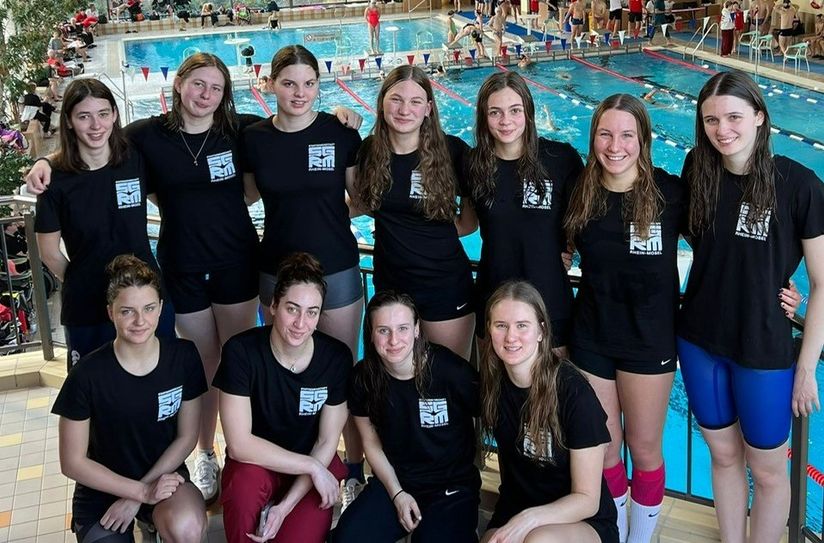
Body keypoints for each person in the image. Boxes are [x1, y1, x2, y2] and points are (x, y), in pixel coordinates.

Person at [26, 52, 363, 505]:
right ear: (178, 84)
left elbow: (292, 126)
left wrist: (341, 113)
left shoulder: (240, 130)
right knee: (202, 365)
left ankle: (264, 452)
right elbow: (95, 138)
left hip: (236, 261)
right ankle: (206, 453)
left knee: (243, 363)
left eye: (216, 87)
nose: (206, 95)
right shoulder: (147, 136)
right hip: (181, 265)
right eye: (198, 84)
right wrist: (46, 160)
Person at [679, 71, 824, 542]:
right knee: (723, 456)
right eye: (711, 120)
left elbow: (822, 283)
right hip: (699, 340)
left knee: (767, 471)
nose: (723, 130)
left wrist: (806, 368)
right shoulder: (697, 170)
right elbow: (703, 244)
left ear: (760, 117)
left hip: (763, 348)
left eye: (734, 117)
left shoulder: (799, 185)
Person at [241, 44, 366, 498]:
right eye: (289, 83)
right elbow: (247, 196)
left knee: (343, 372)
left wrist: (325, 219)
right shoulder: (254, 138)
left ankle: (353, 469)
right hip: (276, 271)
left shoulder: (339, 131)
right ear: (270, 84)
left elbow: (361, 198)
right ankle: (289, 462)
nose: (299, 93)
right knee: (282, 369)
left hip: (337, 268)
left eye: (309, 83)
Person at [563, 93, 686, 543]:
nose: (615, 146)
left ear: (643, 140)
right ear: (593, 137)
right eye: (605, 134)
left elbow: (724, 248)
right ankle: (615, 532)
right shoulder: (580, 193)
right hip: (591, 338)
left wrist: (782, 287)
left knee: (645, 450)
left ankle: (640, 538)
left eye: (627, 135)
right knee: (606, 448)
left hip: (649, 342)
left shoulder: (670, 194)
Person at [53, 254, 208, 543]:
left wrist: (144, 493)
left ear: (160, 308)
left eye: (149, 308)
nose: (140, 321)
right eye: (127, 311)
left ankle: (154, 523)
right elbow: (72, 462)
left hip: (163, 477)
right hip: (102, 487)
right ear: (110, 312)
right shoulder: (86, 374)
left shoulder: (183, 357)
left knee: (186, 528)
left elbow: (187, 437)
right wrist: (139, 492)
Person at [34, 79, 176, 369]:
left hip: (146, 298)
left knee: (158, 379)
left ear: (114, 114)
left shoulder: (135, 157)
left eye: (103, 114)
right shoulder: (55, 180)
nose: (96, 125)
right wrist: (86, 278)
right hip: (88, 306)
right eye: (83, 116)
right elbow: (48, 252)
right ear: (69, 121)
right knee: (94, 387)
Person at [214, 252, 351, 543]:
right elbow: (239, 445)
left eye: (312, 312)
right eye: (292, 309)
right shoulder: (241, 352)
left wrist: (285, 506)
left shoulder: (336, 359)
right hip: (255, 464)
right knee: (242, 492)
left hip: (308, 473)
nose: (301, 322)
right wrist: (312, 467)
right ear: (274, 306)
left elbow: (326, 441)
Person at [330, 291, 481, 542]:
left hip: (451, 485)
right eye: (383, 330)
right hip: (396, 480)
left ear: (417, 330)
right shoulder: (363, 378)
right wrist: (397, 494)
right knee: (347, 538)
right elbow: (371, 443)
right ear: (371, 334)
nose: (394, 340)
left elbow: (489, 413)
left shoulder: (451, 372)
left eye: (402, 328)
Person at [479, 281, 618, 543]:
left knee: (539, 539)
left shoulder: (573, 392)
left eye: (522, 325)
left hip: (580, 520)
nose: (511, 337)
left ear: (541, 331)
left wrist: (529, 520)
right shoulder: (493, 384)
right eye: (501, 325)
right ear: (489, 329)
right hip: (516, 508)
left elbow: (587, 499)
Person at [353, 65, 476, 361]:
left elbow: (469, 223)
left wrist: (427, 233)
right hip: (391, 288)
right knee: (393, 377)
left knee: (449, 375)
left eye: (415, 101)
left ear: (428, 108)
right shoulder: (369, 151)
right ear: (382, 103)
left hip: (444, 286)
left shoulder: (453, 152)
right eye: (396, 99)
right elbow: (362, 203)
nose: (404, 110)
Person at [464, 72, 581, 354]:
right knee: (495, 383)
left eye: (515, 110)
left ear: (528, 112)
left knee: (553, 383)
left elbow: (588, 218)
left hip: (551, 301)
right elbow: (466, 222)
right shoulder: (472, 164)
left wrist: (571, 251)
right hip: (494, 301)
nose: (506, 121)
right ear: (484, 116)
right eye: (495, 112)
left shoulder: (560, 159)